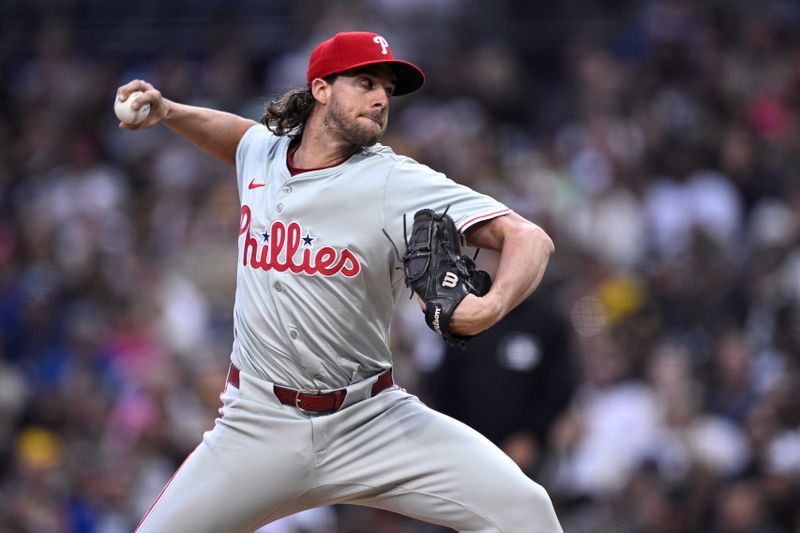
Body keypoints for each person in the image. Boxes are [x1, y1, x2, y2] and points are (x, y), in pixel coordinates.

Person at [121, 31, 562, 533]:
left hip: (368, 420)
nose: (380, 98)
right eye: (365, 82)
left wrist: (489, 306)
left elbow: (529, 238)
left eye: (387, 91)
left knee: (526, 511)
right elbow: (239, 139)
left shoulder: (396, 181)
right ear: (321, 88)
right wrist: (170, 112)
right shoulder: (263, 155)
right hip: (258, 424)